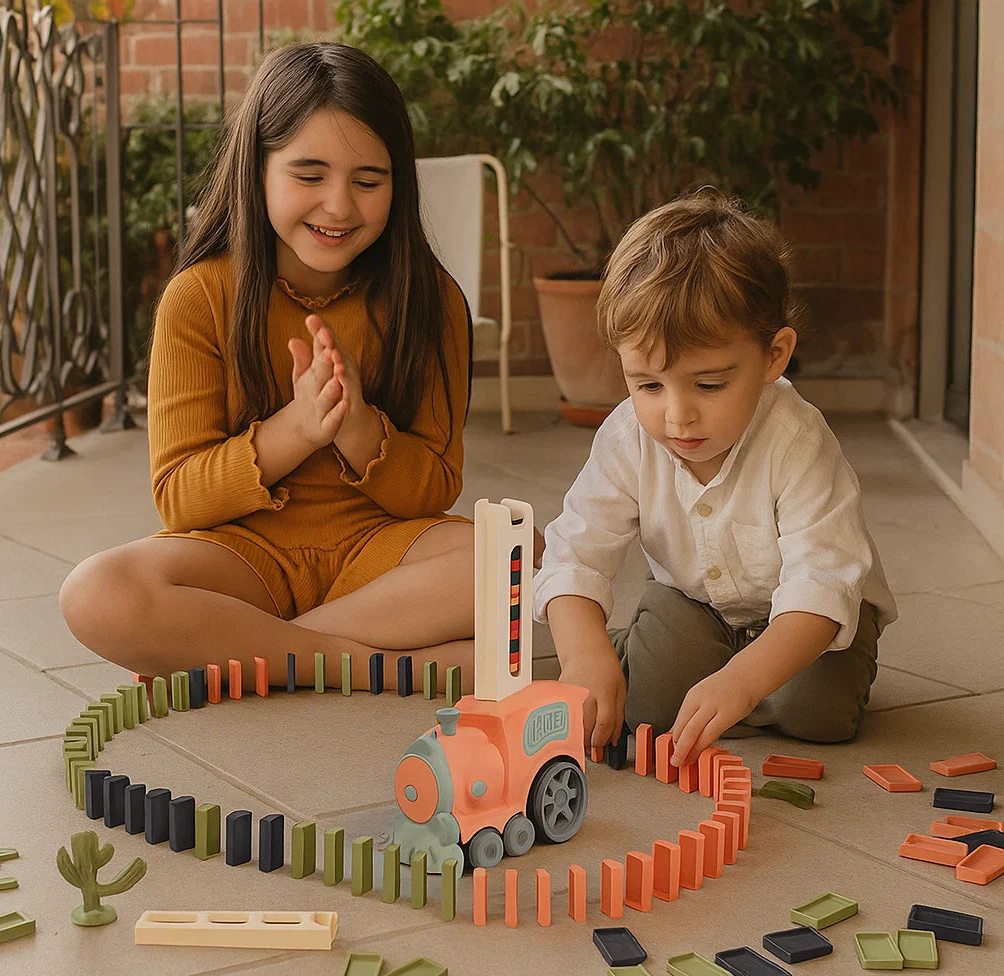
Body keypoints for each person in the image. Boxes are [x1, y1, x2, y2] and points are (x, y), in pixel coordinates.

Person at [59, 42, 476, 689]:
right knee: (95, 592)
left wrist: (357, 427)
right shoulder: (199, 298)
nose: (339, 206)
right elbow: (180, 500)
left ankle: (259, 654)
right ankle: (375, 666)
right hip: (243, 560)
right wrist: (298, 428)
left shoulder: (431, 299)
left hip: (380, 552)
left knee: (515, 559)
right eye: (309, 175)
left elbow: (436, 488)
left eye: (369, 181)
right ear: (256, 170)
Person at [532, 191, 897, 767]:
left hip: (806, 619)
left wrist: (742, 682)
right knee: (644, 705)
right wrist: (582, 657)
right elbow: (574, 553)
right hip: (695, 604)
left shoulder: (798, 440)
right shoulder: (628, 436)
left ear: (773, 356)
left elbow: (823, 586)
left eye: (709, 385)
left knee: (817, 714)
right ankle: (664, 662)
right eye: (648, 385)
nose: (677, 416)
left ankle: (733, 679)